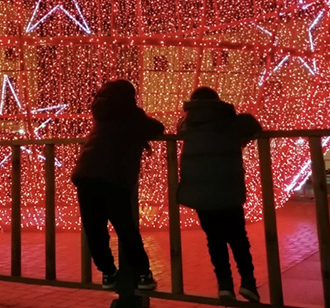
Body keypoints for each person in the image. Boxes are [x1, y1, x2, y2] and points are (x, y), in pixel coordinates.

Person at [71, 79, 164, 292]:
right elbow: (156, 127)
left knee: (94, 228)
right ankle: (142, 273)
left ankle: (108, 272)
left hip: (86, 174)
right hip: (113, 176)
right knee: (125, 227)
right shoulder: (130, 114)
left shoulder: (101, 113)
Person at [176, 87, 260, 302]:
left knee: (214, 240)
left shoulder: (188, 124)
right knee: (238, 238)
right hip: (228, 189)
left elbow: (179, 128)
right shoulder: (229, 121)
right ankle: (248, 282)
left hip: (201, 192)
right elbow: (251, 124)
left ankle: (224, 285)